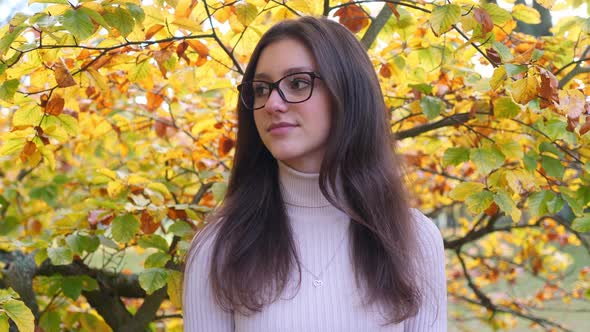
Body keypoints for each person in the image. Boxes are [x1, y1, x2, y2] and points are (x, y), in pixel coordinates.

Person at [183, 16, 447, 331]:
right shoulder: (219, 247)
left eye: (297, 83)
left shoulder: (414, 239)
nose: (273, 104)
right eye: (262, 89)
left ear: (347, 92)